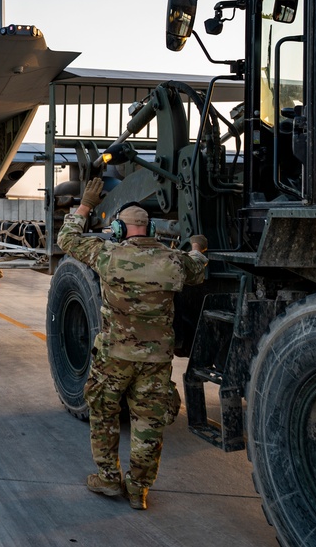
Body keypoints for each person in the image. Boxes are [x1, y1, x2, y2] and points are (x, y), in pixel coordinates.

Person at [57, 176, 208, 510]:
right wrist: (197, 247)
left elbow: (66, 238)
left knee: (104, 413)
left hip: (113, 356)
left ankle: (108, 479)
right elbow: (198, 268)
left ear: (119, 230)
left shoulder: (107, 255)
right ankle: (139, 489)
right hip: (155, 360)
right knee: (148, 422)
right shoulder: (173, 261)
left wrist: (85, 206)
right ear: (151, 229)